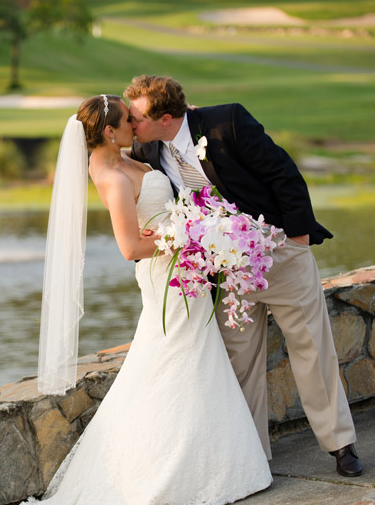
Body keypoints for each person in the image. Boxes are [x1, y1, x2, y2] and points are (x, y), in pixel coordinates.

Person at [9, 95, 272, 505]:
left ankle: (203, 466)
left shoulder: (128, 157)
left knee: (192, 360)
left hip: (183, 272)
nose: (136, 124)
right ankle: (152, 476)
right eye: (128, 121)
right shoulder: (111, 175)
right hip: (165, 275)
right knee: (171, 360)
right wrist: (194, 240)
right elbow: (130, 247)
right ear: (109, 132)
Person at [124, 75, 362, 477]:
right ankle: (251, 459)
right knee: (239, 363)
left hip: (279, 253)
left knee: (312, 349)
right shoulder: (146, 147)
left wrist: (297, 238)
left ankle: (341, 445)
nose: (131, 125)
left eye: (137, 118)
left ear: (166, 117)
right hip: (226, 269)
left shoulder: (226, 122)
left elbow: (283, 172)